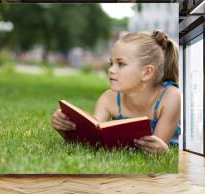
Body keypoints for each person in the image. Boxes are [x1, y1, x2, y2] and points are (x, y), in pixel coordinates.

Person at [51, 30, 181, 153]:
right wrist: (65, 126)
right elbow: (92, 136)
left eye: (121, 64)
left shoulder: (171, 97)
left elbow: (156, 147)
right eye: (111, 63)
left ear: (147, 72)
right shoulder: (108, 98)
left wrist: (163, 150)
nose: (111, 70)